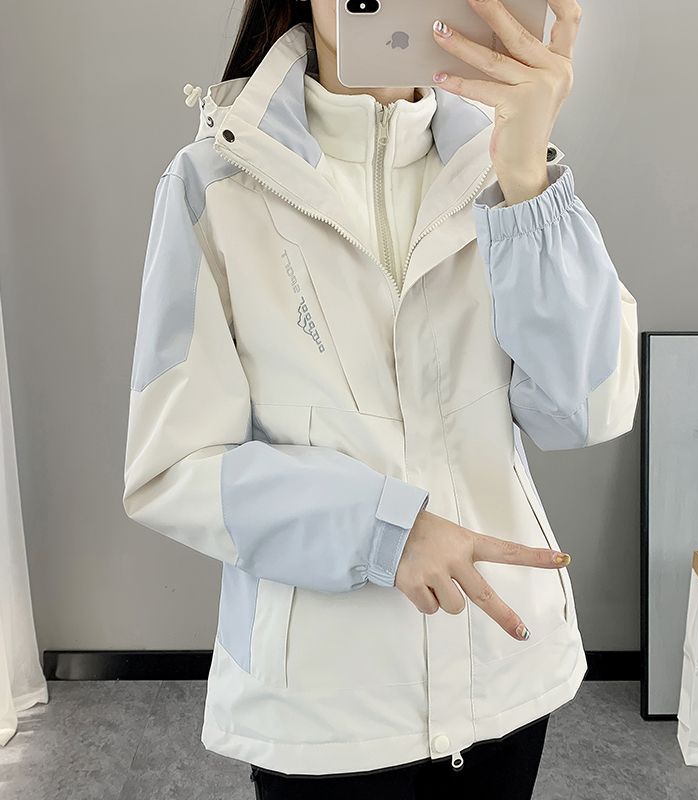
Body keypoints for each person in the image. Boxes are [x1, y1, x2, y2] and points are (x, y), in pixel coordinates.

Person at [122, 1, 639, 797]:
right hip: (325, 713)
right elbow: (173, 468)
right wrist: (384, 531)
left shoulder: (502, 168)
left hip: (506, 671)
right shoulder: (216, 183)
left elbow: (586, 408)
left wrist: (527, 185)